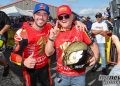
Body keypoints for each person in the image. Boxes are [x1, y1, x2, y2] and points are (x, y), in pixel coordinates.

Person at [10, 3, 88, 86]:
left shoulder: (50, 27)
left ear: (48, 17)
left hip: (45, 68)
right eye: (38, 14)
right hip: (29, 69)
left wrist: (76, 22)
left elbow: (65, 23)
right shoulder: (22, 33)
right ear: (33, 16)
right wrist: (23, 61)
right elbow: (12, 56)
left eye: (44, 14)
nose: (41, 17)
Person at [45, 5, 99, 86]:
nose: (63, 19)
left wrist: (96, 57)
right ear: (58, 19)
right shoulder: (54, 32)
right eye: (60, 17)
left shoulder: (80, 29)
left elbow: (93, 45)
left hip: (79, 75)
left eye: (66, 16)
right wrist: (51, 38)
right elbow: (48, 53)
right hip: (61, 75)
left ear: (72, 17)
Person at [0, 11, 11, 77]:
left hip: (1, 37)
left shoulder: (2, 14)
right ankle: (6, 65)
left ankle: (6, 66)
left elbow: (8, 24)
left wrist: (1, 32)